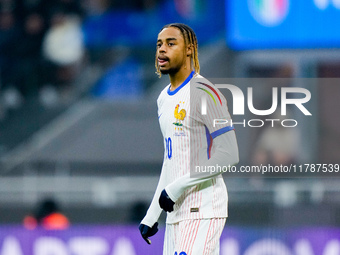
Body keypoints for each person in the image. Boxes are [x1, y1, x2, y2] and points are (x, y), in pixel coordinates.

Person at [139, 23, 239, 255]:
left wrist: (176, 188)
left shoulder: (205, 92)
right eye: (159, 44)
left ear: (189, 50)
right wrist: (153, 213)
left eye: (171, 43)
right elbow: (171, 160)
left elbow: (229, 154)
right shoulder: (164, 98)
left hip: (203, 208)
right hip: (176, 212)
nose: (162, 50)